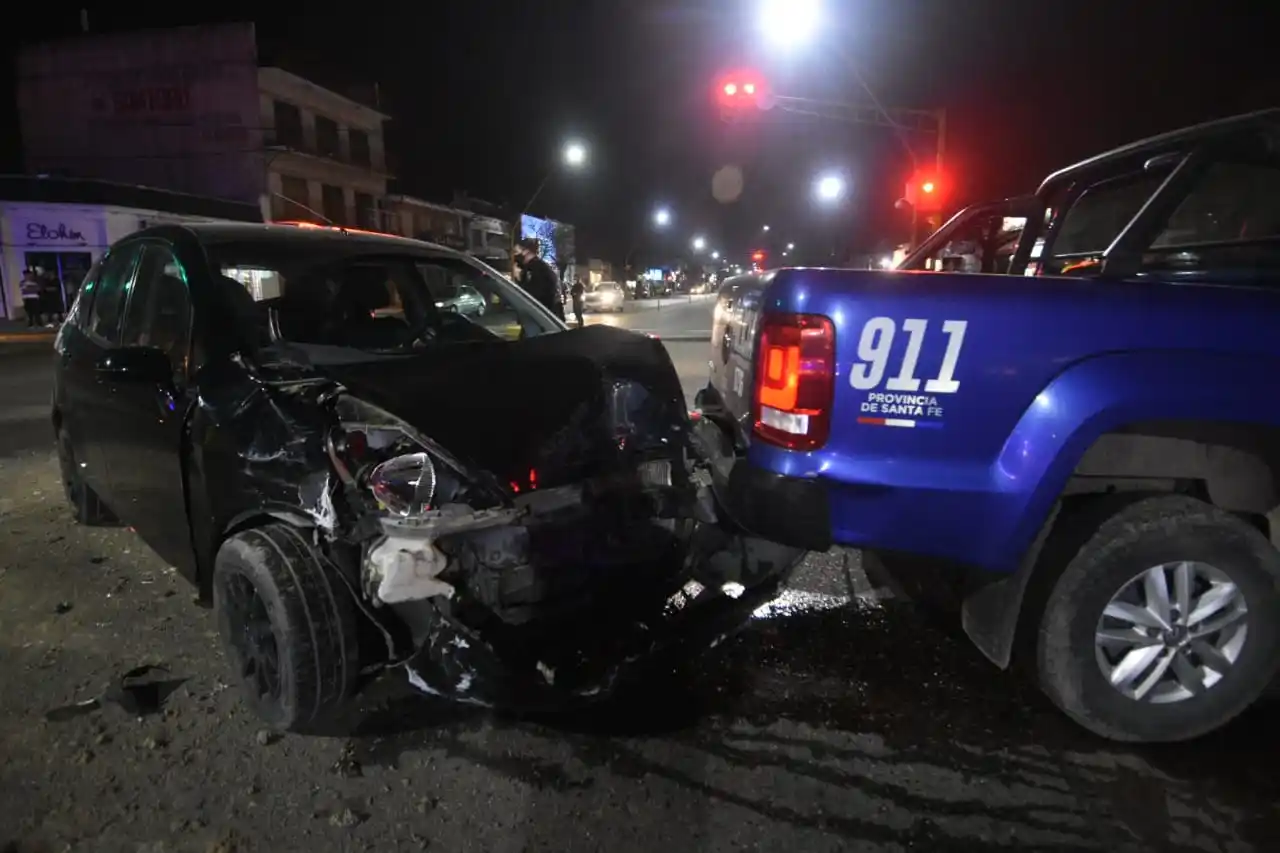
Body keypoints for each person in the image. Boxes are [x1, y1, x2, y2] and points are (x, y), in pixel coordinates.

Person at [512, 237, 564, 320]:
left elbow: (531, 295)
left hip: (541, 318)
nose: (515, 256)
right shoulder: (535, 267)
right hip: (542, 316)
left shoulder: (536, 269)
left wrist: (518, 278)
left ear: (526, 252)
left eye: (517, 252)